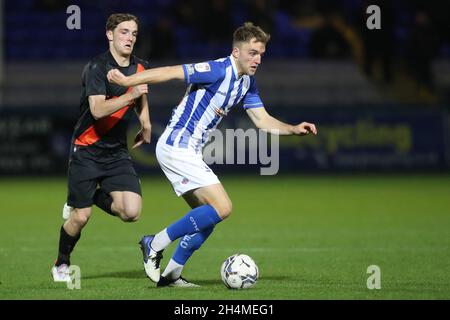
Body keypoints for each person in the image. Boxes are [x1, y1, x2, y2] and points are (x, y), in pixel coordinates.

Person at [108, 22, 317, 287]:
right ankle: (155, 242)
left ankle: (172, 273)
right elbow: (172, 72)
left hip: (187, 151)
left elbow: (263, 121)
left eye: (261, 54)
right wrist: (128, 81)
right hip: (177, 146)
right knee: (223, 207)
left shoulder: (247, 84)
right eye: (253, 53)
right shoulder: (217, 69)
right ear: (236, 52)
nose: (258, 59)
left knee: (207, 217)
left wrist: (293, 129)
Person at [51, 13, 151, 282]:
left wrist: (146, 123)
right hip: (86, 150)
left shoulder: (140, 67)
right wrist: (130, 94)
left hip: (116, 152)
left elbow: (142, 97)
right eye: (123, 32)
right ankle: (61, 262)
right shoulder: (97, 67)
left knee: (131, 213)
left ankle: (90, 195)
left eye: (133, 33)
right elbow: (97, 110)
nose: (129, 38)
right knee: (80, 218)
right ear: (110, 34)